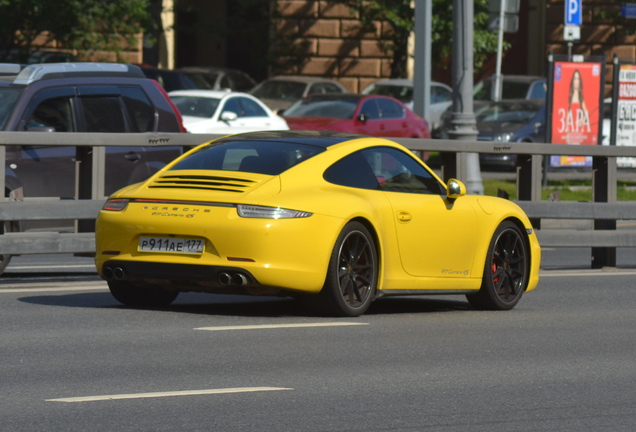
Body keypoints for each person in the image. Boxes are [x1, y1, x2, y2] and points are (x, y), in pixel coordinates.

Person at [567, 69, 590, 133]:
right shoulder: (569, 97)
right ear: (572, 80)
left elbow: (586, 113)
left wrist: (582, 121)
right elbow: (567, 115)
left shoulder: (581, 98)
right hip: (570, 130)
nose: (576, 81)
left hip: (578, 131)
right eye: (575, 79)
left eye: (578, 79)